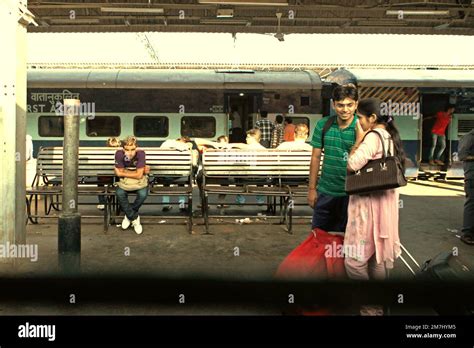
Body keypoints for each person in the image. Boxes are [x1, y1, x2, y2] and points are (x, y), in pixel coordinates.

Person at [344, 98, 404, 280]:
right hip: (384, 205)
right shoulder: (388, 136)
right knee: (377, 258)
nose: (358, 122)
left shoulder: (372, 137)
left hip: (368, 205)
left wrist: (358, 140)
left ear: (372, 117)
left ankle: (368, 306)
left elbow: (351, 164)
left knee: (354, 261)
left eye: (360, 118)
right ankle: (377, 306)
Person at [308, 84, 358, 232]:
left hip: (352, 195)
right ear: (333, 105)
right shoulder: (323, 125)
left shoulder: (361, 127)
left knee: (349, 242)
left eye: (350, 105)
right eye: (340, 105)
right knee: (318, 238)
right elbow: (315, 158)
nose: (345, 109)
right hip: (325, 193)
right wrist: (312, 189)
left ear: (356, 105)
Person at [114, 136, 150, 235]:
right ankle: (134, 218)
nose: (130, 152)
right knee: (119, 193)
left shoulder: (141, 153)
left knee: (143, 194)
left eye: (133, 149)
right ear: (123, 149)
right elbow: (137, 173)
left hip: (139, 183)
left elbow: (139, 176)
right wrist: (136, 171)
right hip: (125, 183)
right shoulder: (119, 154)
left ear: (137, 147)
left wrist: (122, 173)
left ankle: (128, 216)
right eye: (127, 149)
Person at [159, 137, 194, 212]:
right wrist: (189, 145)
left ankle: (165, 205)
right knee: (182, 182)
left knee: (166, 184)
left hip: (163, 174)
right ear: (184, 141)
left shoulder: (166, 143)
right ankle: (182, 205)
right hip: (178, 175)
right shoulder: (184, 146)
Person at [234, 129, 266, 205]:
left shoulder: (243, 149)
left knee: (237, 174)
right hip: (261, 178)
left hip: (244, 177)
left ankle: (240, 199)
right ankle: (260, 199)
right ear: (259, 139)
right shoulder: (265, 150)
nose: (245, 139)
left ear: (252, 138)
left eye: (247, 137)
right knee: (260, 172)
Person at [458, 129, 474, 245]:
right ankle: (466, 233)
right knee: (471, 202)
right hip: (472, 175)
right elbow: (462, 156)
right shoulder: (469, 137)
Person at [97, 137, 121, 210]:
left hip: (105, 177)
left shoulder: (102, 154)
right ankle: (121, 203)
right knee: (121, 182)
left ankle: (102, 202)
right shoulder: (121, 153)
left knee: (100, 181)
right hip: (118, 177)